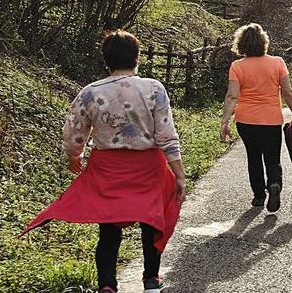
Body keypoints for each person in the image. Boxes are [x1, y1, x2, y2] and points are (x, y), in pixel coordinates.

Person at [21, 30, 186, 293]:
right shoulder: (154, 89)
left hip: (108, 169)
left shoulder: (90, 92)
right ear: (137, 58)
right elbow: (166, 135)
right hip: (148, 168)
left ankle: (107, 285)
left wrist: (74, 155)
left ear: (105, 60)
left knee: (108, 226)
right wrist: (178, 172)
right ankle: (151, 280)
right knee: (152, 221)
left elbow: (75, 130)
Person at [220, 23, 292, 213]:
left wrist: (224, 121)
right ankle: (274, 184)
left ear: (241, 44)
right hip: (271, 120)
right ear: (264, 42)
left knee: (253, 157)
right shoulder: (277, 62)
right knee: (272, 158)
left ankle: (258, 196)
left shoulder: (237, 66)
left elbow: (232, 96)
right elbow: (288, 93)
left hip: (246, 121)